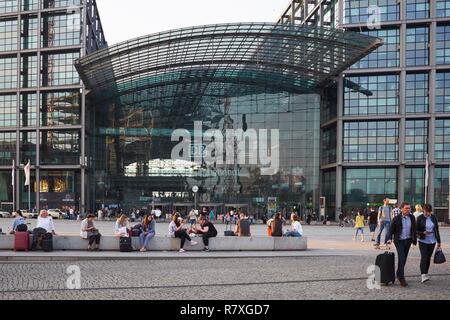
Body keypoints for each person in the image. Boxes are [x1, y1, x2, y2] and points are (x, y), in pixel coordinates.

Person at [387, 202, 417, 287]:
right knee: (402, 258)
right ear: (401, 209)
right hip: (399, 241)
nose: (408, 210)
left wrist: (414, 239)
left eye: (409, 208)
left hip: (408, 240)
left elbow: (414, 229)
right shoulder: (396, 218)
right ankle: (401, 278)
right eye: (406, 208)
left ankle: (398, 273)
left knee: (404, 259)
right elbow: (390, 230)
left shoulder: (412, 217)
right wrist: (389, 239)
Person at [416, 204, 442, 283]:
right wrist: (422, 232)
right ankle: (423, 275)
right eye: (427, 212)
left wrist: (439, 241)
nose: (428, 213)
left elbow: (436, 229)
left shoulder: (433, 217)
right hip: (423, 240)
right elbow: (416, 230)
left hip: (432, 241)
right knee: (424, 257)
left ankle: (426, 273)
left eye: (430, 212)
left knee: (428, 258)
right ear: (423, 210)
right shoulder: (419, 218)